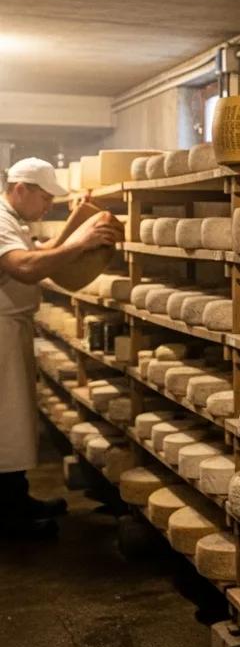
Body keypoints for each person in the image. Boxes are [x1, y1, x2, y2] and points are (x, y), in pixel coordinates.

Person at [0, 157, 121, 539]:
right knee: (4, 423)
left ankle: (17, 501)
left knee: (12, 423)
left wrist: (77, 222)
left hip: (11, 326)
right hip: (0, 329)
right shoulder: (1, 221)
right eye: (45, 199)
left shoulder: (14, 220)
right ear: (21, 189)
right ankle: (9, 518)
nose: (47, 207)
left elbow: (44, 250)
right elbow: (27, 267)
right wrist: (82, 241)